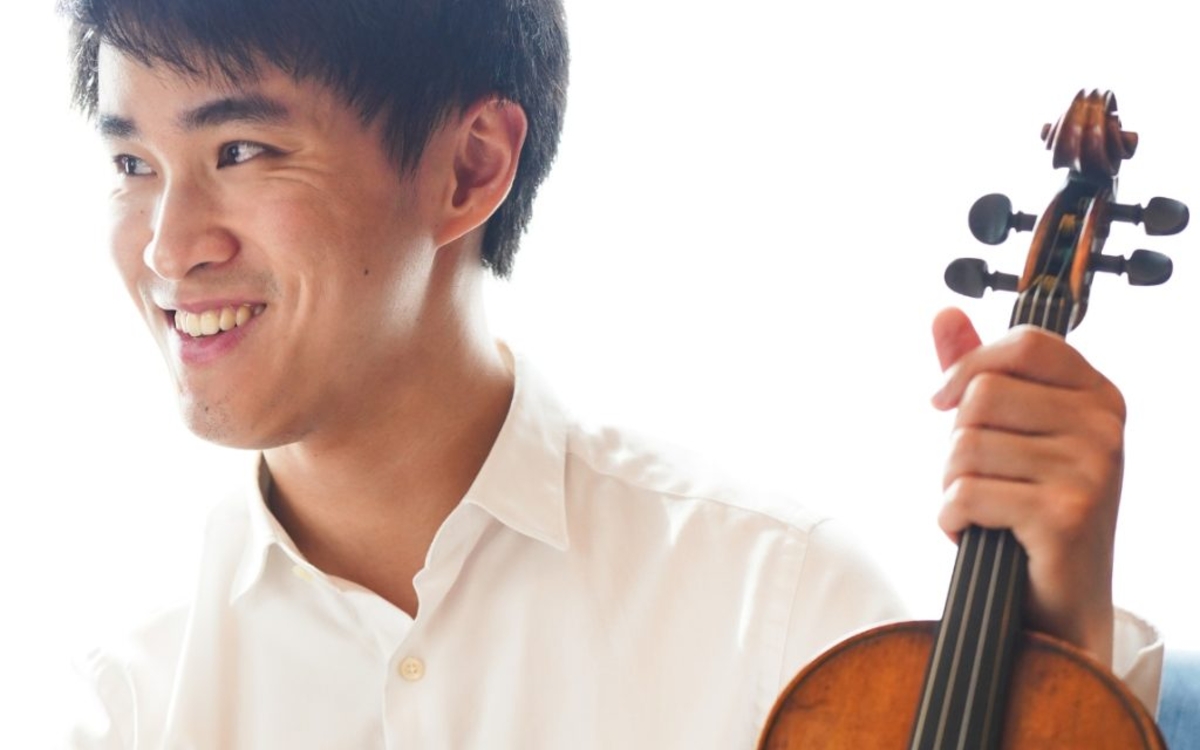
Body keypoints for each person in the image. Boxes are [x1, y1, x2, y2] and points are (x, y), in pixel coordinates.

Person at [61, 0, 1163, 746]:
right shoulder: (132, 700)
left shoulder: (779, 614)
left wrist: (1061, 634)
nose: (166, 245)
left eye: (241, 152)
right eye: (130, 165)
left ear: (470, 167)